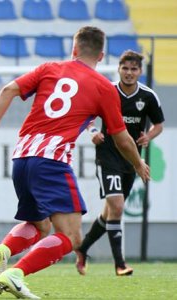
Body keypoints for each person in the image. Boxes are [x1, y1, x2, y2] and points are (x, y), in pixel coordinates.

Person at [0, 26, 151, 299]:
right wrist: (138, 163)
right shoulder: (104, 88)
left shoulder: (49, 68)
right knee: (71, 237)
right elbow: (122, 139)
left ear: (74, 49)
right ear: (102, 55)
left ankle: (4, 251)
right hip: (51, 162)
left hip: (22, 158)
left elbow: (8, 89)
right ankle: (15, 273)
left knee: (39, 225)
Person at [76, 50, 164, 276]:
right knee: (117, 206)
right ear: (118, 69)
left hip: (131, 159)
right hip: (107, 156)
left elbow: (158, 125)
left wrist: (149, 136)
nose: (129, 73)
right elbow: (87, 117)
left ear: (140, 72)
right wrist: (94, 131)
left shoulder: (148, 96)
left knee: (110, 213)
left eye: (134, 69)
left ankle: (83, 248)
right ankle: (120, 264)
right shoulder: (107, 91)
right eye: (125, 68)